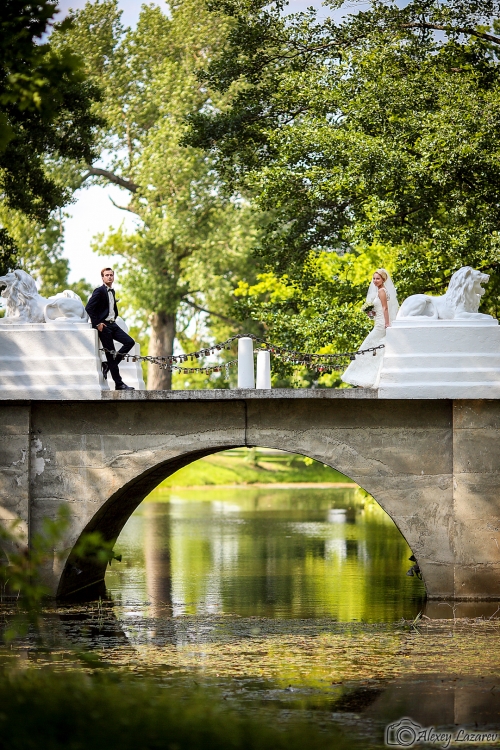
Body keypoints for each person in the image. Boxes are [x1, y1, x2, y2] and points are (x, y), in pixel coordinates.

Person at [342, 268, 399, 389]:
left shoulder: (382, 291)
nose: (375, 280)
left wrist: (387, 323)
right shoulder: (379, 291)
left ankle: (361, 378)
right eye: (374, 278)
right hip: (378, 322)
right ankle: (367, 379)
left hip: (381, 325)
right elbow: (378, 309)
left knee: (366, 347)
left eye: (378, 278)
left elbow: (385, 308)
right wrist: (370, 312)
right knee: (373, 349)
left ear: (383, 279)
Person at [86, 268, 135, 391]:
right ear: (102, 278)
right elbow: (89, 308)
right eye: (106, 275)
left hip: (113, 324)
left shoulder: (112, 292)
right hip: (105, 327)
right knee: (110, 353)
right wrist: (98, 324)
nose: (109, 277)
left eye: (111, 275)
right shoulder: (99, 291)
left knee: (130, 342)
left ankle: (109, 364)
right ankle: (119, 384)